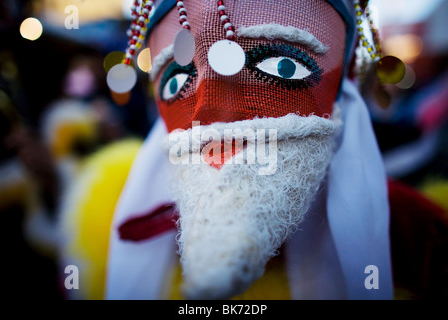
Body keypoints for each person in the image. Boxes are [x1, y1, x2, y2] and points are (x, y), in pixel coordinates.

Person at [101, 0, 394, 300]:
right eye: (177, 82)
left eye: (283, 66)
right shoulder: (98, 219)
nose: (210, 115)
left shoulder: (422, 245)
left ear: (339, 89)